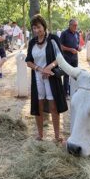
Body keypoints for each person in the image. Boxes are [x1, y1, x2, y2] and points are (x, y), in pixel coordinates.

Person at [26, 14, 67, 142]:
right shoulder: (32, 42)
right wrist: (40, 69)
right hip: (38, 77)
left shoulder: (53, 39)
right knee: (39, 105)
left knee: (53, 105)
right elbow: (28, 61)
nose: (36, 30)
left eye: (38, 27)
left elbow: (59, 58)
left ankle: (57, 136)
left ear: (44, 26)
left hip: (51, 77)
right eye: (34, 28)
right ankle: (40, 135)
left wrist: (49, 67)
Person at [60, 19, 81, 97]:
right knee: (66, 75)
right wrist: (70, 49)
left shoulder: (77, 34)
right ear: (70, 25)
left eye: (77, 25)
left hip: (75, 58)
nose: (76, 27)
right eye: (74, 25)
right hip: (66, 57)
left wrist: (79, 47)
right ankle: (65, 93)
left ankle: (74, 91)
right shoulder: (64, 33)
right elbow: (60, 46)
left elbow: (77, 44)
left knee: (75, 75)